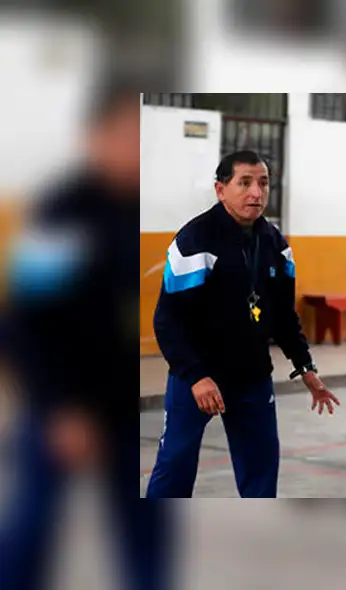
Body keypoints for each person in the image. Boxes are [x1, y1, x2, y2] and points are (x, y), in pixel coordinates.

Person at [0, 82, 171, 589]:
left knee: (148, 535)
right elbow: (23, 323)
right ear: (94, 137)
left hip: (122, 407)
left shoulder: (141, 213)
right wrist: (59, 408)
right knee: (30, 528)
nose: (134, 150)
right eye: (123, 135)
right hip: (59, 405)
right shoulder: (63, 211)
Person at [145, 150, 339, 499]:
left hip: (251, 378)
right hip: (198, 380)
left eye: (263, 183)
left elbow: (283, 315)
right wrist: (196, 376)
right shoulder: (195, 241)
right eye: (245, 183)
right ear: (221, 190)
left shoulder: (276, 244)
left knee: (261, 469)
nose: (256, 193)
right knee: (175, 465)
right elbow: (168, 319)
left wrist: (305, 367)